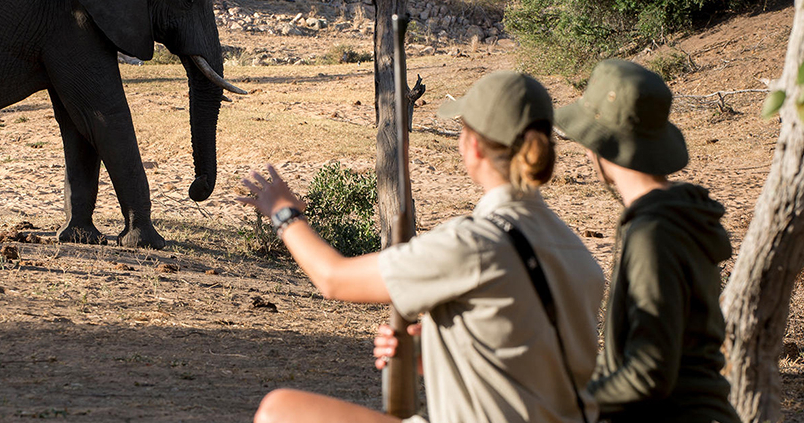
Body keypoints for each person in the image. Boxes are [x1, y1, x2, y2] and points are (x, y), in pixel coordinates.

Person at [239, 71, 604, 423]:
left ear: (472, 144)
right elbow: (532, 365)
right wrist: (435, 354)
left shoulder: (472, 242)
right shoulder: (579, 255)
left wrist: (283, 213)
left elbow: (334, 278)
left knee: (279, 410)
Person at [554, 59, 741, 423]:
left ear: (600, 147)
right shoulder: (679, 215)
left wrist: (572, 405)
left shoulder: (653, 233)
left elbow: (649, 373)